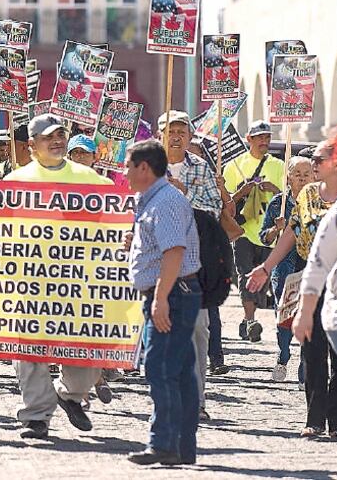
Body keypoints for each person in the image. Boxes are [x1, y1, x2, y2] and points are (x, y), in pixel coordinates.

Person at [4, 114, 109, 440]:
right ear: (32, 145)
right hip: (30, 280)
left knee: (85, 345)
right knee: (29, 350)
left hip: (79, 280)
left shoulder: (89, 177)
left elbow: (120, 212)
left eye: (60, 134)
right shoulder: (14, 181)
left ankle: (71, 395)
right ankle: (36, 416)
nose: (56, 140)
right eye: (48, 136)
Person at [247, 138, 337, 439]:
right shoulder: (308, 195)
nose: (313, 163)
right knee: (313, 351)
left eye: (319, 158)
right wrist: (266, 267)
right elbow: (293, 231)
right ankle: (314, 419)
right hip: (311, 277)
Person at [125, 139, 201, 466]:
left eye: (128, 166)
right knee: (180, 371)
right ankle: (181, 446)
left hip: (172, 294)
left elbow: (174, 252)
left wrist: (160, 299)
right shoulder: (153, 198)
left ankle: (164, 443)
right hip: (173, 292)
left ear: (144, 168)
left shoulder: (165, 200)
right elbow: (162, 245)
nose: (125, 172)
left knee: (160, 368)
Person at [158, 110, 232, 420]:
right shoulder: (145, 165)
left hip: (191, 263)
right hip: (155, 263)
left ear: (190, 136)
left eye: (181, 130)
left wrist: (183, 193)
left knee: (198, 331)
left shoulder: (201, 168)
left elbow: (214, 209)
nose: (176, 135)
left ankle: (196, 399)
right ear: (160, 134)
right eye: (170, 130)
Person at [224, 120, 285, 343]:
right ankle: (250, 321)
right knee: (245, 273)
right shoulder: (234, 166)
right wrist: (243, 190)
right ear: (248, 139)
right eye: (259, 137)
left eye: (267, 137)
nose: (264, 141)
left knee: (263, 279)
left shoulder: (279, 166)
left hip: (268, 232)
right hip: (242, 231)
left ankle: (248, 317)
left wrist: (274, 190)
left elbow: (288, 198)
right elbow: (227, 202)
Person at [256, 156, 314, 381]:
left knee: (308, 314)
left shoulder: (318, 203)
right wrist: (275, 229)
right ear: (288, 177)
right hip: (284, 268)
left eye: (306, 174)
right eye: (297, 174)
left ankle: (305, 367)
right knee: (285, 313)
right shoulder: (278, 203)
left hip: (310, 266)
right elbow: (264, 237)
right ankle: (283, 353)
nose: (301, 178)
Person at [295, 126, 337, 374]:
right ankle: (322, 414)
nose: (314, 164)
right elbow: (318, 263)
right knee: (319, 365)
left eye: (319, 159)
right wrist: (305, 312)